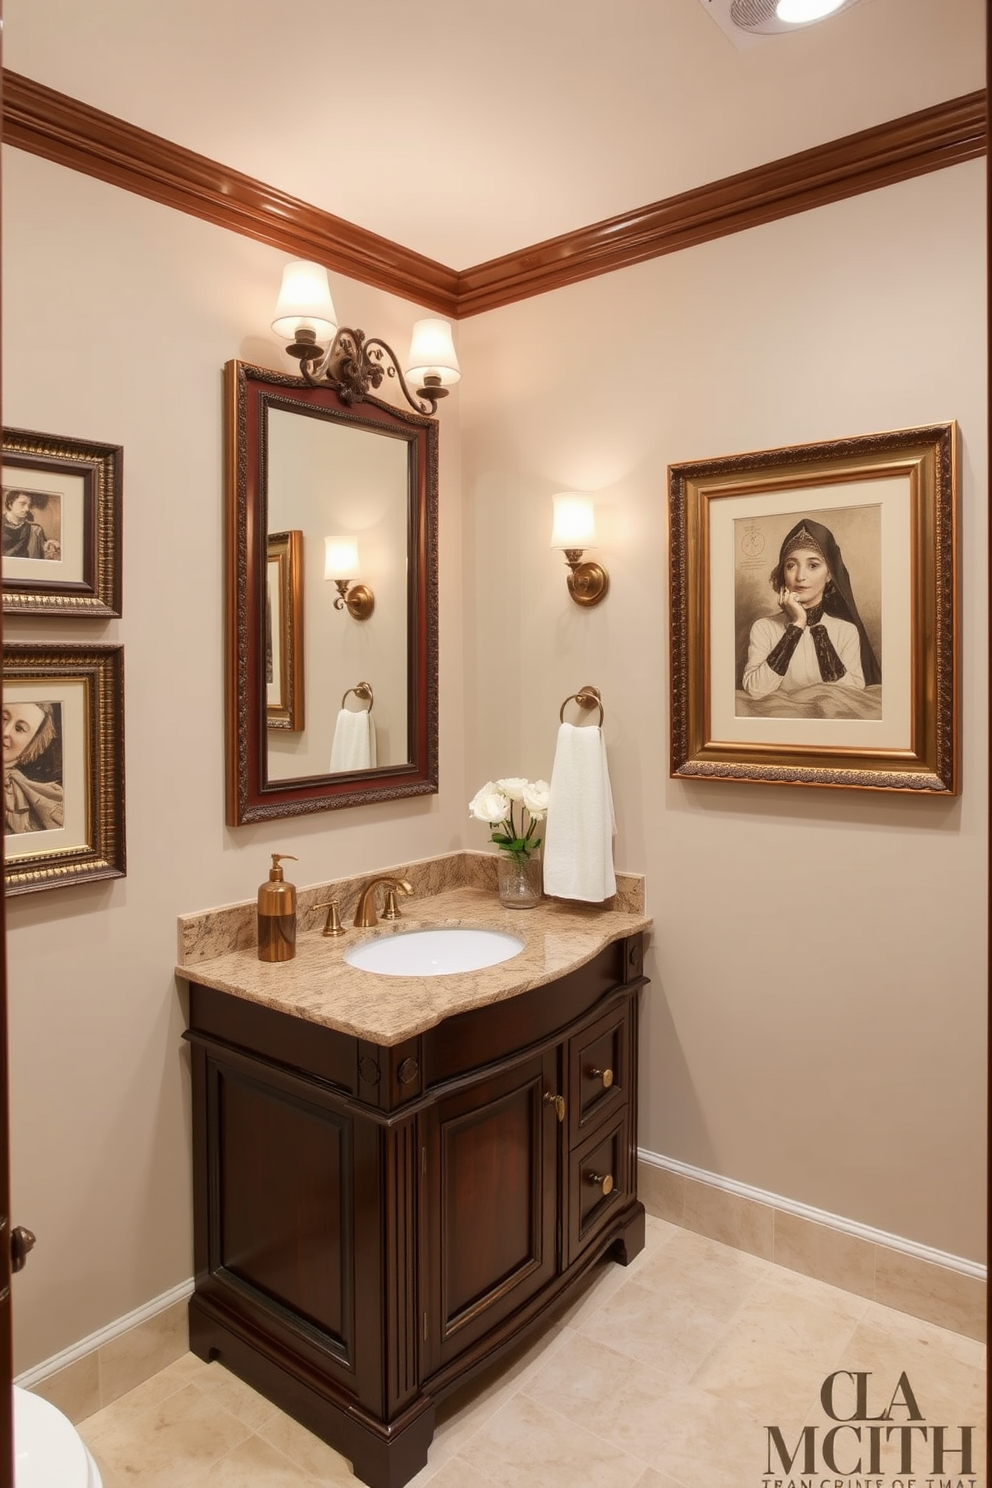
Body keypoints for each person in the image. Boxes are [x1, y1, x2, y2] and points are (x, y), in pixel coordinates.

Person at [741, 517, 881, 700]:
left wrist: (819, 636)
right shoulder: (764, 628)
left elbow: (852, 697)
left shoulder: (846, 631)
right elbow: (756, 690)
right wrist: (798, 625)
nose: (800, 576)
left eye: (813, 565)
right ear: (783, 572)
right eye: (791, 566)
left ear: (829, 574)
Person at [3, 701, 64, 833]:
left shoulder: (42, 799)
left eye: (19, 729)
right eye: (3, 718)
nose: (5, 732)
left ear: (31, 744)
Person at [2, 489, 48, 560]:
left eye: (28, 505)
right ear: (10, 504)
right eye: (22, 504)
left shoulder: (35, 530)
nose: (27, 509)